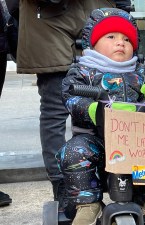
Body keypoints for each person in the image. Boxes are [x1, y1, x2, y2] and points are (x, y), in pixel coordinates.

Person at [56, 8, 145, 225]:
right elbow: (71, 95)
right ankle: (88, 203)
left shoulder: (142, 73)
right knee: (73, 152)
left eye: (127, 39)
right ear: (93, 43)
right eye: (111, 37)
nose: (121, 42)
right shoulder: (82, 72)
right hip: (95, 139)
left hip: (135, 139)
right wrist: (93, 109)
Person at [16, 0, 129, 205]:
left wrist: (122, 7)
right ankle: (64, 186)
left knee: (115, 101)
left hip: (98, 13)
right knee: (56, 108)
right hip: (49, 21)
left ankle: (122, 177)